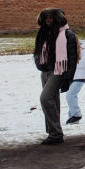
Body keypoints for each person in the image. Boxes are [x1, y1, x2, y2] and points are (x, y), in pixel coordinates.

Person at [33, 8, 78, 145]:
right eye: (46, 17)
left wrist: (68, 78)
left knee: (45, 98)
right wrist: (38, 64)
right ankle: (54, 133)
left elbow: (72, 58)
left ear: (57, 18)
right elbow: (37, 50)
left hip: (58, 71)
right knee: (53, 101)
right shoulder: (43, 33)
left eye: (51, 18)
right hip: (45, 71)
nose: (48, 20)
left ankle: (55, 133)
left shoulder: (67, 35)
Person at [64, 36, 85, 124]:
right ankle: (72, 118)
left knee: (70, 95)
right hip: (72, 76)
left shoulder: (83, 50)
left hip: (79, 76)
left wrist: (69, 68)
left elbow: (81, 64)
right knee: (71, 96)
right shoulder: (71, 49)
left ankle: (76, 114)